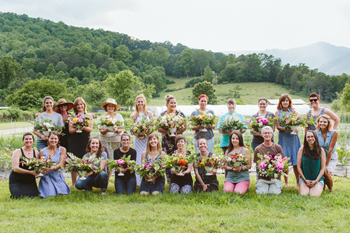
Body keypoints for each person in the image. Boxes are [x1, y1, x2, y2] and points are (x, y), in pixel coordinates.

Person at [157, 95, 186, 182]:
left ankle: (178, 179)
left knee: (178, 159)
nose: (173, 104)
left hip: (178, 141)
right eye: (171, 103)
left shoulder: (180, 114)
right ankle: (170, 180)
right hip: (166, 141)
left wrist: (176, 132)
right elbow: (158, 128)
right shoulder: (162, 115)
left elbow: (185, 127)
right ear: (167, 104)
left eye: (174, 103)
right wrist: (167, 132)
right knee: (167, 160)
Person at [275, 94, 300, 186]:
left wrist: (296, 130)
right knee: (284, 159)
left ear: (289, 102)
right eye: (283, 100)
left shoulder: (293, 111)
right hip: (284, 138)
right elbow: (278, 127)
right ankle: (286, 182)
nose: (285, 102)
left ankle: (298, 181)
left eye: (287, 101)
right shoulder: (278, 112)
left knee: (295, 160)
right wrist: (287, 129)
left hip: (293, 138)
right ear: (281, 102)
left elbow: (297, 123)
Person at [68, 97, 93, 187]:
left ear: (84, 105)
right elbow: (70, 130)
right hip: (74, 140)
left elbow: (90, 129)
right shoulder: (72, 116)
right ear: (75, 106)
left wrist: (82, 127)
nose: (79, 106)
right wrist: (76, 127)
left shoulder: (88, 115)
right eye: (77, 105)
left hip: (85, 139)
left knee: (85, 160)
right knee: (74, 160)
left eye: (81, 104)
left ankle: (84, 179)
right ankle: (73, 182)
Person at [130, 94, 154, 186]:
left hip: (147, 139)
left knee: (148, 157)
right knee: (138, 158)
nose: (140, 103)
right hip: (138, 140)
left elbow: (153, 126)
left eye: (142, 101)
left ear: (144, 102)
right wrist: (138, 134)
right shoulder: (133, 116)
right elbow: (131, 130)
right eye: (138, 101)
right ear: (136, 103)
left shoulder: (149, 114)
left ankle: (149, 178)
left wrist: (146, 134)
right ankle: (139, 181)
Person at [38, 131, 71, 198]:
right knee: (50, 195)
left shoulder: (62, 149)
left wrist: (49, 169)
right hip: (47, 175)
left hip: (57, 174)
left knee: (63, 194)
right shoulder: (42, 151)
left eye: (55, 139)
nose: (53, 140)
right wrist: (44, 169)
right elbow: (41, 165)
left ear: (58, 139)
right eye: (51, 138)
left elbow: (61, 164)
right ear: (48, 139)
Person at [254, 126, 285, 195]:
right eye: (265, 133)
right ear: (262, 135)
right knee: (261, 193)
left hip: (275, 178)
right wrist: (267, 172)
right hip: (263, 178)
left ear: (272, 134)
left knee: (274, 193)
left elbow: (282, 163)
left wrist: (274, 174)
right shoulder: (258, 149)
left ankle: (277, 185)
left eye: (269, 133)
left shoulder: (278, 147)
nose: (267, 135)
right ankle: (261, 185)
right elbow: (258, 166)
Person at [9, 133, 39, 198]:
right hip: (17, 179)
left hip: (29, 180)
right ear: (23, 141)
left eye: (30, 139)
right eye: (26, 139)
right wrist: (30, 172)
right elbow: (15, 169)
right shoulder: (18, 152)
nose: (28, 141)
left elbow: (38, 166)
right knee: (18, 196)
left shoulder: (36, 153)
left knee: (34, 196)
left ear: (33, 141)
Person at [99, 98, 123, 179]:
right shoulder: (102, 117)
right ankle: (107, 179)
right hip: (105, 141)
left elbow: (121, 129)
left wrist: (115, 131)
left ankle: (117, 178)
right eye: (109, 106)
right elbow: (101, 130)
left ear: (115, 108)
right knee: (107, 159)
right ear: (106, 107)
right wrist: (106, 131)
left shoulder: (119, 117)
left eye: (112, 106)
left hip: (115, 141)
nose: (110, 108)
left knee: (115, 159)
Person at [297, 130, 326, 197]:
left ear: (315, 138)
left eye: (312, 136)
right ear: (306, 139)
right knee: (303, 195)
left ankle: (319, 185)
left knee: (314, 195)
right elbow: (298, 167)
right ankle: (304, 185)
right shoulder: (301, 150)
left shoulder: (321, 150)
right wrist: (305, 180)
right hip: (305, 179)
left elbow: (322, 168)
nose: (310, 138)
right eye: (308, 137)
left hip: (317, 179)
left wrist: (316, 181)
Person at [316, 114, 338, 192]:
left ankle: (330, 188)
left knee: (327, 173)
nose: (322, 123)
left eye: (325, 122)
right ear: (318, 123)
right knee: (321, 173)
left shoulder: (334, 133)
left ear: (328, 123)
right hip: (320, 156)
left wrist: (326, 165)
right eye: (320, 122)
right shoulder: (315, 133)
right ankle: (322, 186)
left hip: (331, 157)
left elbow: (331, 149)